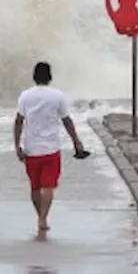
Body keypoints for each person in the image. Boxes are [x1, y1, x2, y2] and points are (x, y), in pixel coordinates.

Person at [13, 61, 85, 233]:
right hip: (51, 148)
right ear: (50, 76)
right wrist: (76, 141)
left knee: (35, 187)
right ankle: (43, 218)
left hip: (31, 149)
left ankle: (41, 217)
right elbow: (66, 120)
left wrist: (17, 145)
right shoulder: (58, 96)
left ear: (34, 76)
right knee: (48, 186)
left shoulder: (25, 96)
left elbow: (18, 121)